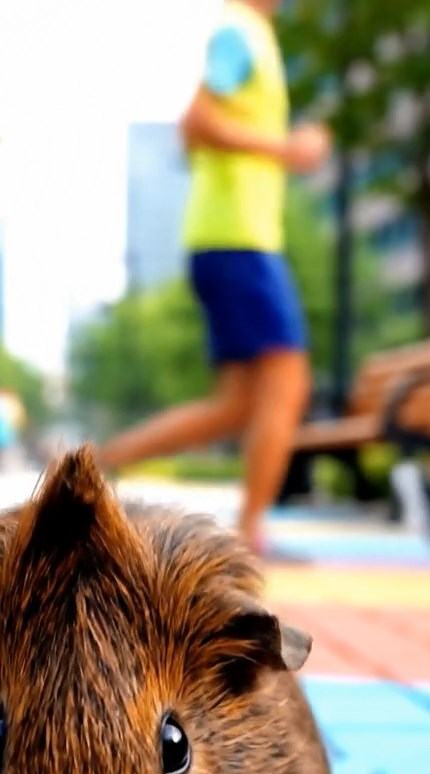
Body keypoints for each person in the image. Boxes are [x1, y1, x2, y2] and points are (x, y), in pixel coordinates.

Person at [97, 0, 331, 553]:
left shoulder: (253, 35)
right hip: (238, 239)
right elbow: (195, 123)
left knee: (237, 404)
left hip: (233, 239)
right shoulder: (239, 32)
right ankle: (250, 536)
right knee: (288, 382)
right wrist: (287, 148)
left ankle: (105, 461)